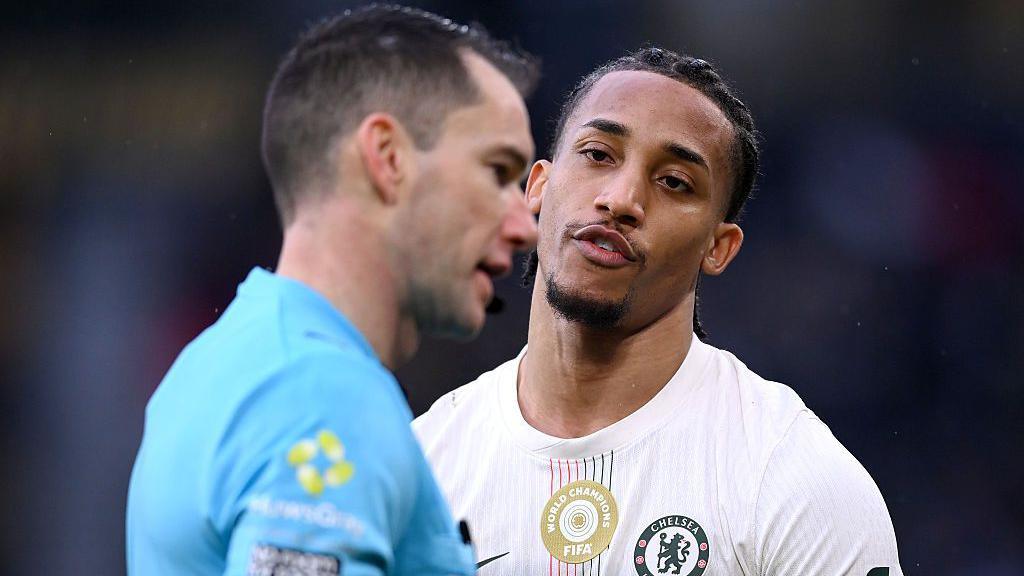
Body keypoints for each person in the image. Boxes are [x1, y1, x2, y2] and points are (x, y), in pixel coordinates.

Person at [414, 47, 904, 576]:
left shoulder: (795, 483)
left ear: (718, 248)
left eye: (674, 182)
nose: (621, 199)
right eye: (599, 154)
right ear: (538, 185)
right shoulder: (424, 467)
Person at [127, 5, 538, 575]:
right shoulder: (322, 397)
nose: (526, 225)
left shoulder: (219, 365)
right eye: (497, 171)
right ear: (388, 159)